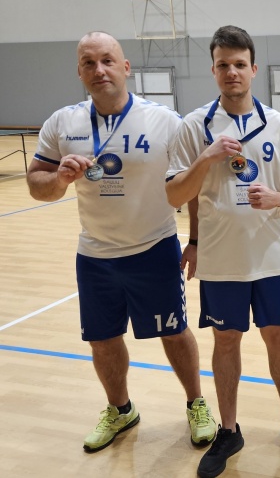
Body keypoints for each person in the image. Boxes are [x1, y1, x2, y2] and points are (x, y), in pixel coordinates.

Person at [26, 32, 215, 453]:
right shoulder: (62, 123)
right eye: (89, 63)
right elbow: (37, 184)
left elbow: (192, 184)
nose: (99, 70)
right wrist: (59, 178)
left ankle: (196, 403)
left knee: (174, 332)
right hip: (95, 254)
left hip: (155, 247)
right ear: (79, 72)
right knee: (102, 339)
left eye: (108, 60)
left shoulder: (164, 120)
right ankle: (120, 409)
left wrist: (196, 240)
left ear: (126, 67)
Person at [165, 25, 280, 477]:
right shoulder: (194, 126)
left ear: (253, 69)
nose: (232, 71)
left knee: (278, 337)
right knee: (226, 341)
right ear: (213, 70)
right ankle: (229, 430)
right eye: (223, 65)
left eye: (239, 64)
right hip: (220, 259)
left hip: (270, 256)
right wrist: (206, 158)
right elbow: (176, 195)